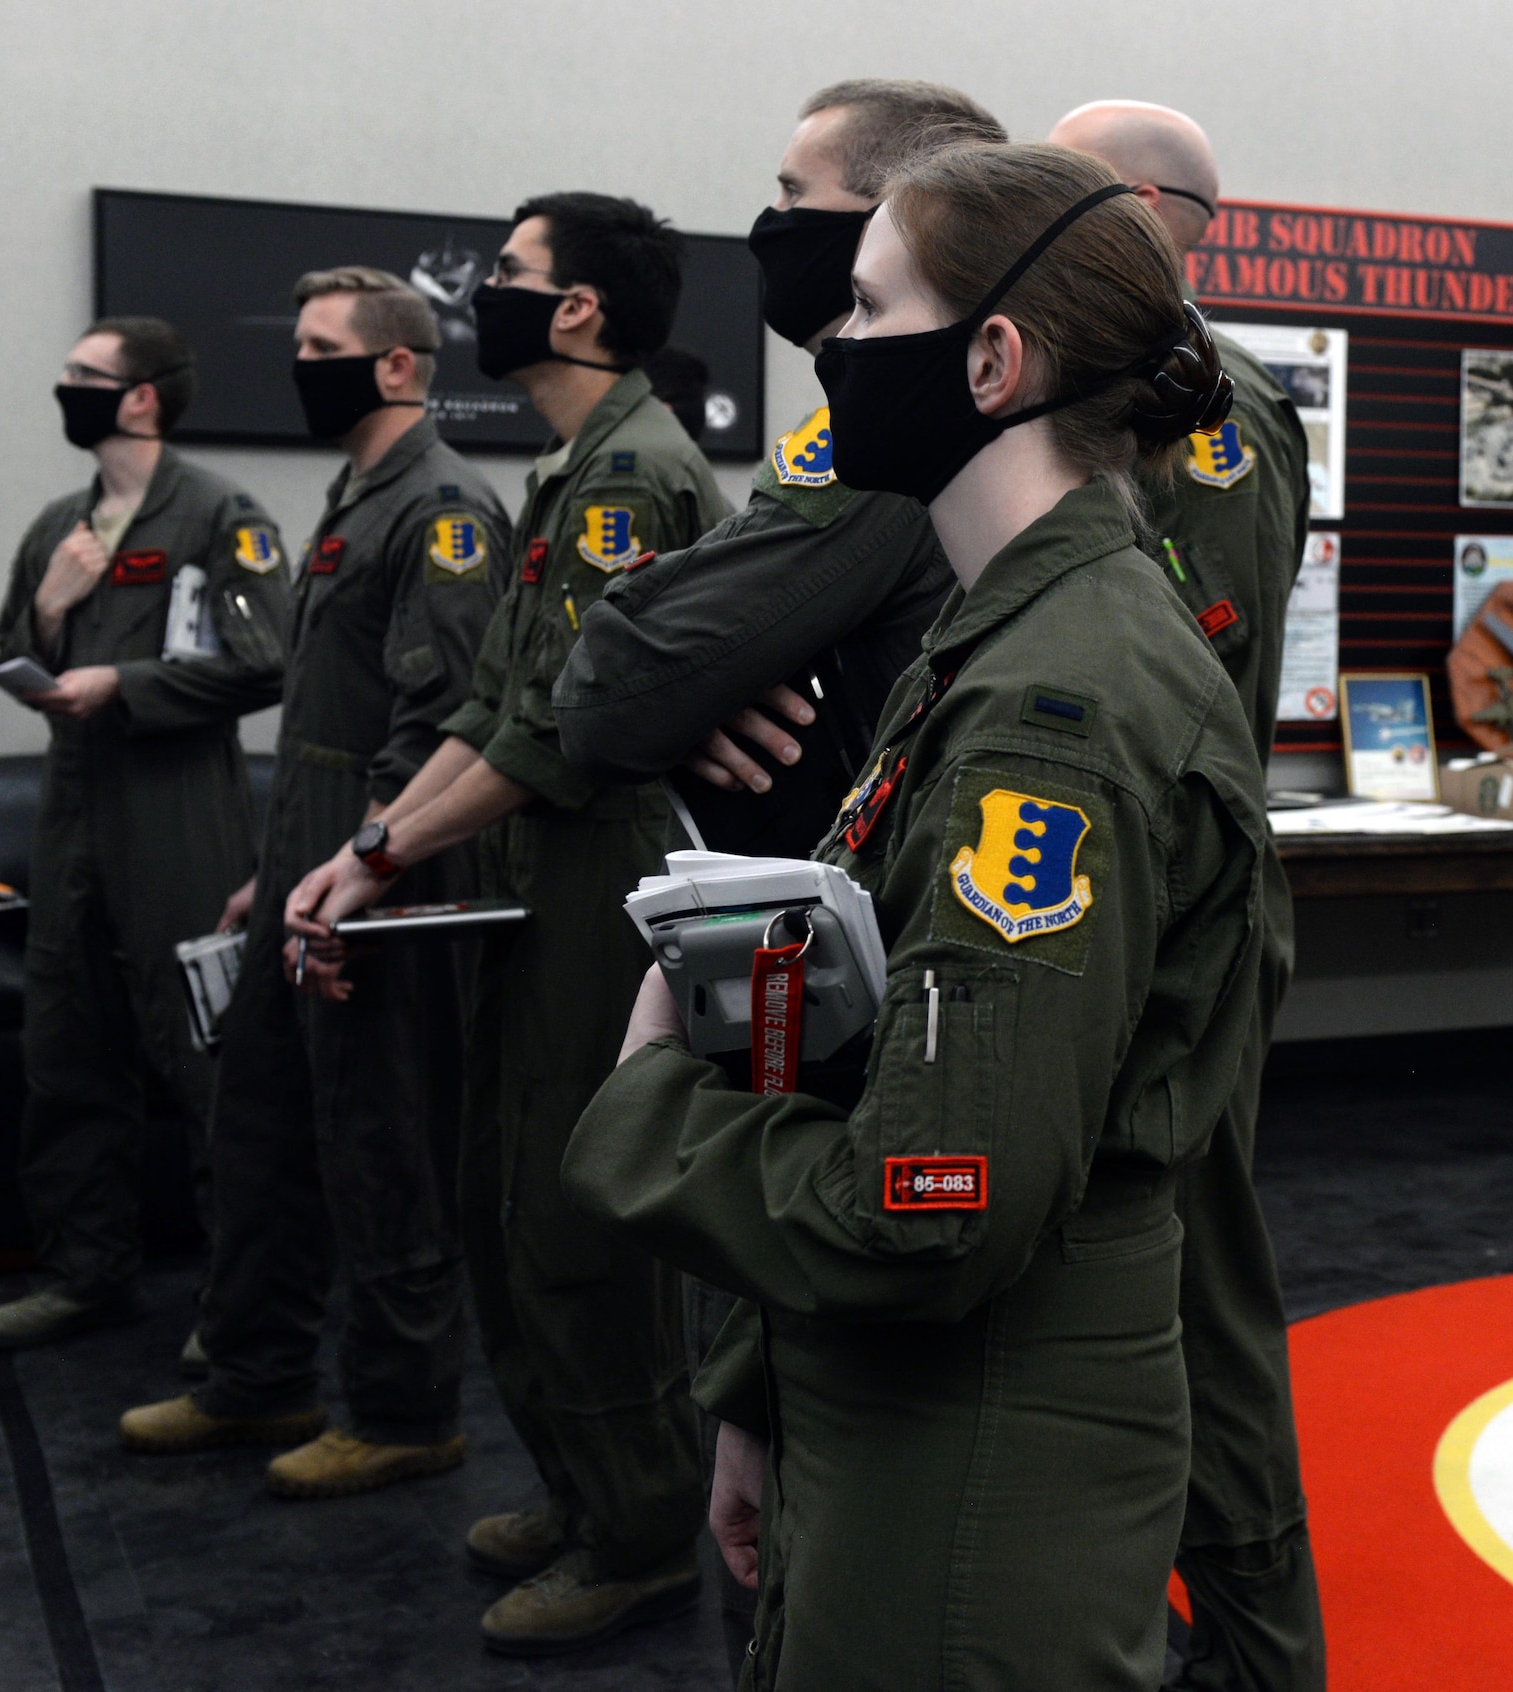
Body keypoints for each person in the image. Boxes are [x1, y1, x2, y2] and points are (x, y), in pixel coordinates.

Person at [563, 141, 1269, 1689]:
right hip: (888, 1412)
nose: (832, 347)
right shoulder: (999, 640)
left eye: (871, 308)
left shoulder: (1051, 710)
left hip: (977, 1456)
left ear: (995, 358)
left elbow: (931, 1204)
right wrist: (760, 1394)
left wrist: (647, 1098)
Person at [549, 78, 1003, 1667]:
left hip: (867, 1018)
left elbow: (606, 683)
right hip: (820, 973)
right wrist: (704, 682)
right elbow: (653, 683)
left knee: (852, 1523)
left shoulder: (894, 438)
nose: (772, 236)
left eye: (800, 204)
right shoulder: (873, 430)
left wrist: (688, 673)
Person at [282, 195, 730, 1654]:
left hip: (602, 865)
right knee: (503, 1194)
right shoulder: (571, 473)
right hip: (536, 865)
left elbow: (563, 735)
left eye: (514, 277)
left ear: (582, 309)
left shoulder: (634, 480)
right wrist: (377, 851)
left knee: (573, 1208)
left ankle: (645, 1526)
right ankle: (584, 1483)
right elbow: (495, 709)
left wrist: (381, 846)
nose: (488, 296)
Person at [118, 269, 511, 1501]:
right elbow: (322, 724)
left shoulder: (444, 506)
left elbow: (442, 722)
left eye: (319, 346)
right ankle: (255, 1376)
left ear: (397, 365)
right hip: (306, 858)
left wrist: (364, 871)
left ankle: (403, 1412)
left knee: (381, 1141)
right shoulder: (356, 493)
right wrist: (268, 869)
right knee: (263, 1130)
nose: (297, 366)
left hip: (380, 880)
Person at [1051, 99, 1325, 1692]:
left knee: (1203, 1295)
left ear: (1152, 212)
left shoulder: (1207, 408)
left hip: (1177, 898)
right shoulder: (1099, 388)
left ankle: (1263, 1654)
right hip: (1094, 878)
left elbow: (1183, 660)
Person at [0, 319, 290, 1351]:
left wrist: (128, 683)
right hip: (71, 810)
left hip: (179, 809)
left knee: (206, 1064)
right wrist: (56, 611)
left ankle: (236, 1306)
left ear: (143, 396)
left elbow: (265, 656)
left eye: (83, 377)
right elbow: (20, 655)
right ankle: (85, 1273)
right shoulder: (60, 523)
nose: (65, 389)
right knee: (66, 1049)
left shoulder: (217, 515)